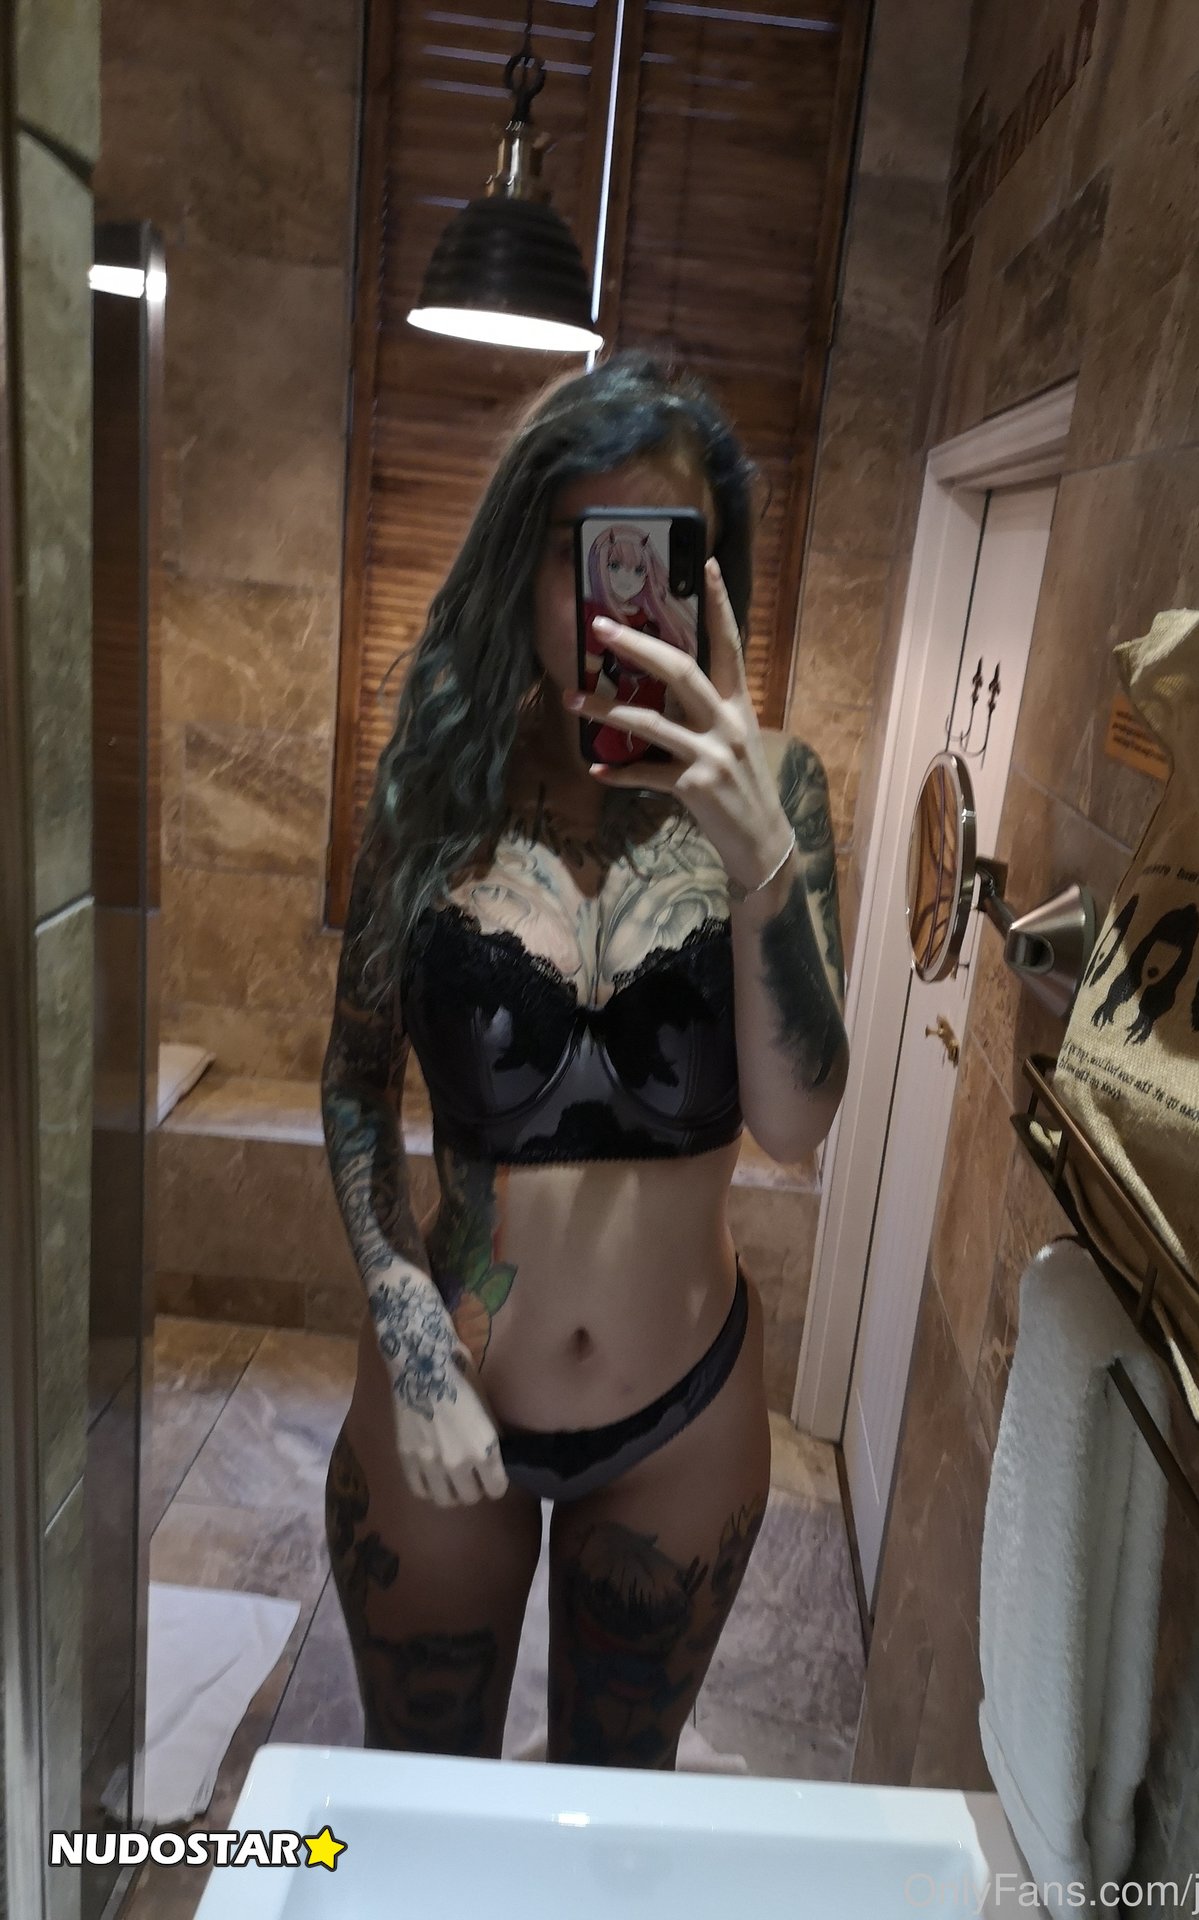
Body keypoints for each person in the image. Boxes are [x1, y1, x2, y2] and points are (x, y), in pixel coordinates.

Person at [320, 349, 849, 1769]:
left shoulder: (779, 791)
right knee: (424, 1794)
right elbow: (356, 1086)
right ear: (525, 566)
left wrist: (762, 863)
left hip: (683, 1419)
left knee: (618, 1817)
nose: (624, 604)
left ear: (712, 583)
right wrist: (408, 1330)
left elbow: (797, 1123)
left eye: (666, 557)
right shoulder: (435, 790)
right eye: (589, 554)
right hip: (449, 1387)